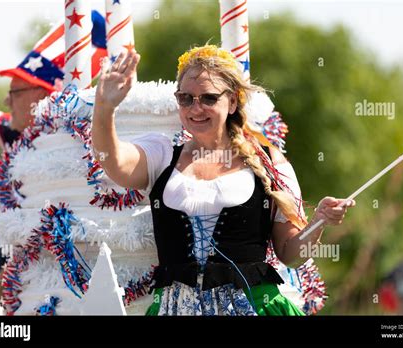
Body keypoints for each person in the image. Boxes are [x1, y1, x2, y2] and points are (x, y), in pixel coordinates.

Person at [92, 44, 355, 316]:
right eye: (186, 98)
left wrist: (319, 221)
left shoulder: (269, 162)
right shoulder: (162, 155)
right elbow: (113, 162)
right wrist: (104, 107)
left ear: (232, 101)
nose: (196, 108)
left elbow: (291, 254)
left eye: (208, 98)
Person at [0, 12, 107, 313]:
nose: (6, 102)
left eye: (14, 92)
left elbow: (28, 258)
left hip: (52, 302)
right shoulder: (18, 136)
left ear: (42, 96)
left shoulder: (71, 157)